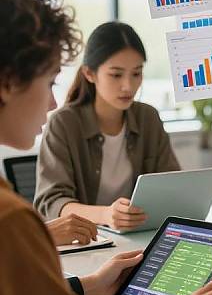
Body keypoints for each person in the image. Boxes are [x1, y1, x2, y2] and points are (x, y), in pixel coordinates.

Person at [0, 0, 212, 295]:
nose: (53, 99)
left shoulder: (146, 117)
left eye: (137, 74)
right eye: (49, 81)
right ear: (8, 83)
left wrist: (87, 287)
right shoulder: (12, 221)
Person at [35, 21, 180, 234]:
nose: (128, 86)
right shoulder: (64, 123)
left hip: (139, 237)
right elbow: (52, 203)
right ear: (90, 74)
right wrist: (105, 215)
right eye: (116, 74)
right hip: (88, 241)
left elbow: (173, 184)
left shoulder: (148, 118)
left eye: (136, 73)